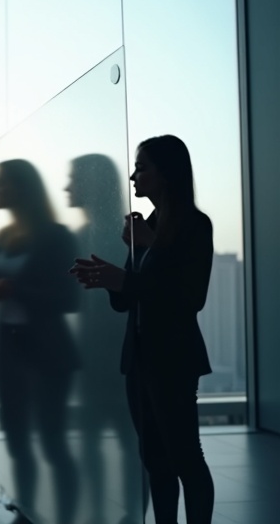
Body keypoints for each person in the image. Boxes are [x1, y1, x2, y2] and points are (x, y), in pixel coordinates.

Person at [70, 135, 215, 524]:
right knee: (155, 461)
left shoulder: (195, 226)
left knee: (187, 459)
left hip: (173, 359)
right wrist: (113, 276)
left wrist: (146, 253)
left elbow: (189, 299)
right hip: (139, 358)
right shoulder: (146, 226)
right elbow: (127, 300)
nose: (133, 176)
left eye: (142, 167)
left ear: (167, 174)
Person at [0, 159, 80, 523]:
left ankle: (65, 517)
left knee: (53, 443)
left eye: (1, 183)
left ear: (22, 188)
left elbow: (71, 299)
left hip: (47, 351)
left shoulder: (57, 236)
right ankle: (26, 513)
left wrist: (15, 289)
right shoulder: (1, 239)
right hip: (9, 349)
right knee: (17, 443)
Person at [66, 154, 145, 522]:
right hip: (97, 354)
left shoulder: (117, 234)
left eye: (75, 179)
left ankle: (127, 514)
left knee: (128, 440)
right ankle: (106, 512)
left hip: (117, 353)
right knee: (110, 441)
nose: (68, 186)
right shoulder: (87, 234)